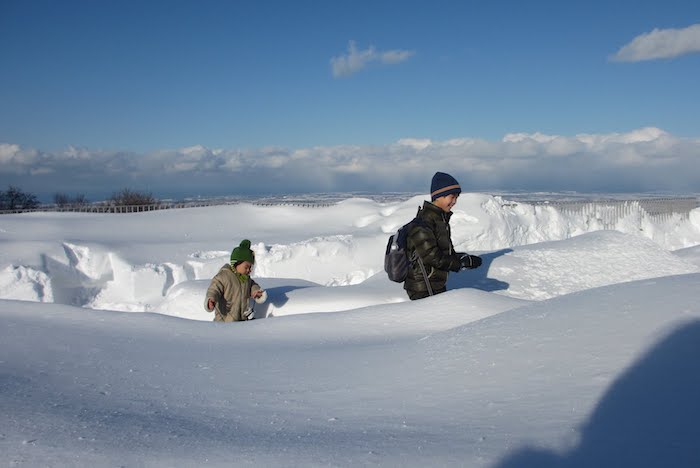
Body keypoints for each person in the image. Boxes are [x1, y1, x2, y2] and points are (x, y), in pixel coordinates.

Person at [404, 172, 482, 300]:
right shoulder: (423, 224)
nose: (454, 202)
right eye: (452, 197)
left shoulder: (440, 221)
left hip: (434, 284)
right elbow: (432, 257)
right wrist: (460, 263)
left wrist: (464, 258)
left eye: (457, 198)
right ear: (439, 196)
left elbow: (443, 253)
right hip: (423, 288)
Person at [205, 239, 267, 322]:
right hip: (224, 322)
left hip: (241, 321)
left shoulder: (246, 279)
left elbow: (252, 285)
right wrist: (211, 299)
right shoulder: (224, 276)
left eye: (250, 267)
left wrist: (256, 291)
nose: (249, 270)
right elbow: (214, 288)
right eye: (246, 267)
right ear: (236, 264)